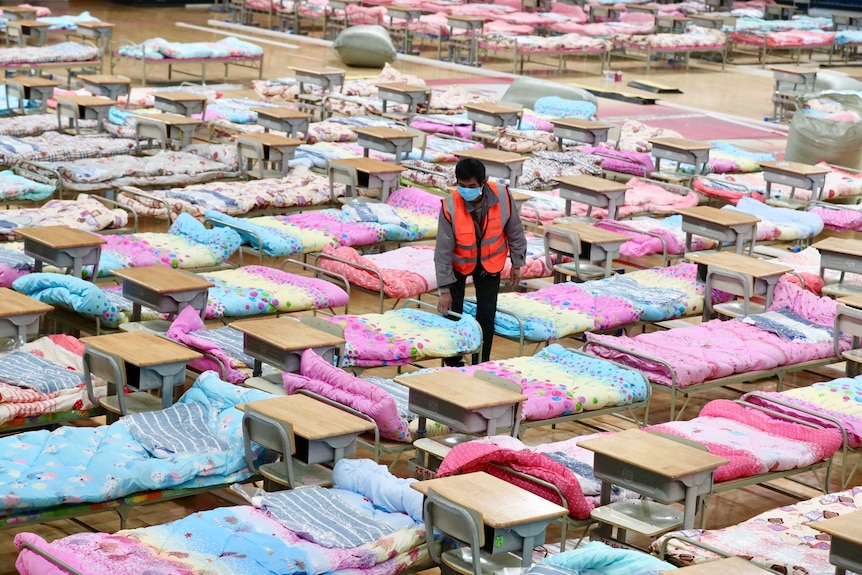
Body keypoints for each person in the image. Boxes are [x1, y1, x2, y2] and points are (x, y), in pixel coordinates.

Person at [434, 158, 527, 366]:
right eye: (462, 186)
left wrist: (517, 263)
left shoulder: (502, 196)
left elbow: (515, 230)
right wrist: (444, 290)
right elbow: (442, 251)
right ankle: (452, 363)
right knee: (452, 314)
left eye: (472, 186)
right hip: (459, 263)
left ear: (484, 183)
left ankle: (481, 362)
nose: (466, 190)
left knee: (486, 315)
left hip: (490, 261)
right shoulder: (450, 205)